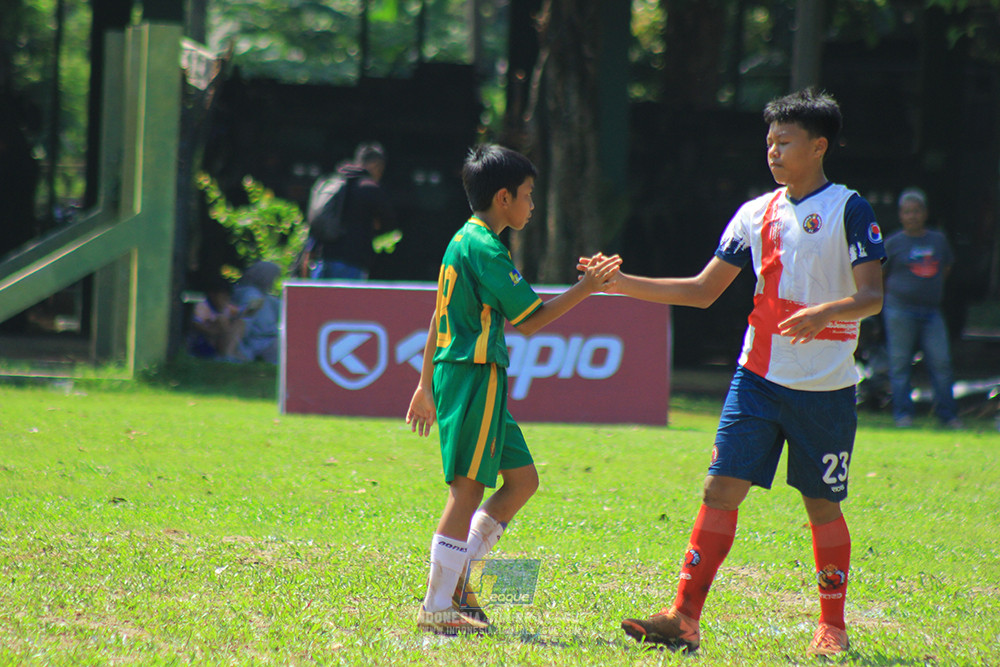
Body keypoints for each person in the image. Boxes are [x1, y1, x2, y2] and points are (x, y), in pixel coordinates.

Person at [587, 89, 886, 657]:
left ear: (818, 146)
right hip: (756, 379)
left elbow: (871, 296)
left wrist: (826, 312)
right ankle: (683, 617)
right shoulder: (755, 213)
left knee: (821, 506)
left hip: (826, 388)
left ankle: (832, 626)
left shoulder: (852, 209)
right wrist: (622, 284)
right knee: (720, 488)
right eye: (768, 141)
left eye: (784, 141)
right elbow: (703, 291)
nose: (772, 151)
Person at [404, 144, 621, 634]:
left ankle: (457, 584)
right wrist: (587, 288)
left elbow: (438, 317)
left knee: (523, 481)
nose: (531, 204)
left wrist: (423, 385)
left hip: (475, 377)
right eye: (527, 195)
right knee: (468, 490)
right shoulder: (484, 247)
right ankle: (437, 606)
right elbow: (532, 320)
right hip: (472, 374)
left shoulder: (468, 240)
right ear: (503, 198)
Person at [882, 188, 961, 429]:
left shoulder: (938, 239)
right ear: (900, 215)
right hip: (899, 310)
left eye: (916, 211)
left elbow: (946, 268)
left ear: (925, 213)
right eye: (907, 212)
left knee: (941, 363)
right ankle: (903, 415)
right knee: (900, 364)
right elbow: (880, 274)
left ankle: (948, 416)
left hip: (931, 312)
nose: (912, 216)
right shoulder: (893, 242)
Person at [305, 142, 394, 280]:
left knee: (322, 301)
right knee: (347, 301)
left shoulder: (335, 181)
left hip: (323, 259)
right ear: (377, 165)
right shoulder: (371, 188)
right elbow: (388, 223)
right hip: (352, 261)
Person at [232, 261, 282, 364]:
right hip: (259, 341)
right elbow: (245, 322)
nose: (273, 282)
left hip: (268, 339)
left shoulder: (265, 297)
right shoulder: (251, 295)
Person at [189, 276, 245, 361]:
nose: (225, 300)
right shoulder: (202, 306)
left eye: (227, 297)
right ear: (212, 295)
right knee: (221, 320)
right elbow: (196, 324)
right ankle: (225, 354)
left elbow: (241, 314)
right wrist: (212, 332)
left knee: (240, 323)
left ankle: (228, 354)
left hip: (220, 338)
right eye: (223, 297)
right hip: (203, 341)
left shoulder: (227, 307)